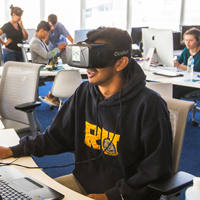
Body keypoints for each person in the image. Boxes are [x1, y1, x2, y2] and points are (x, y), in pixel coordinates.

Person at [0, 27, 172, 200]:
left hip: (126, 194)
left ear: (121, 63)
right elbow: (56, 137)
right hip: (83, 182)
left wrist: (111, 196)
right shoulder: (84, 91)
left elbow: (156, 170)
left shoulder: (149, 105)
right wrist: (12, 150)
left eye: (96, 58)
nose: (88, 66)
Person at [29, 20, 67, 106]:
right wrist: (57, 48)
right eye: (47, 32)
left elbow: (49, 54)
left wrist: (59, 50)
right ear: (42, 30)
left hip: (44, 67)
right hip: (40, 69)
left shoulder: (40, 40)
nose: (47, 34)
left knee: (60, 73)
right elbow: (46, 56)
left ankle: (53, 95)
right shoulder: (35, 41)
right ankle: (51, 96)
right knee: (60, 75)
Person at [173, 28, 200, 99]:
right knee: (170, 86)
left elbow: (195, 69)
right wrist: (175, 62)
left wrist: (179, 65)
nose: (187, 43)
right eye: (186, 40)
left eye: (191, 40)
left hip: (196, 83)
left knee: (175, 90)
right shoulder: (186, 50)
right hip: (187, 79)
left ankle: (177, 109)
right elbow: (179, 60)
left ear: (198, 41)